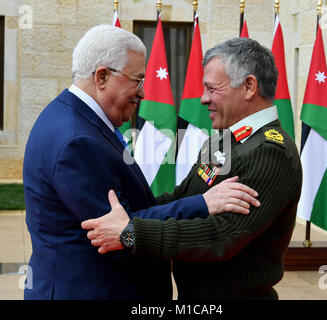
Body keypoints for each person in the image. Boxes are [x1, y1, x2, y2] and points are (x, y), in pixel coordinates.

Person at [23, 25, 258, 300]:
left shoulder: (73, 118)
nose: (143, 93)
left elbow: (129, 213)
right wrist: (204, 204)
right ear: (102, 76)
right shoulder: (76, 140)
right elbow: (117, 231)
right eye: (137, 80)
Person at [82, 37, 303, 300]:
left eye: (212, 89)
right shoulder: (223, 138)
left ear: (249, 86)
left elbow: (222, 236)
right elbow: (182, 198)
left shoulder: (271, 152)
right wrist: (124, 210)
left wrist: (131, 233)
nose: (203, 99)